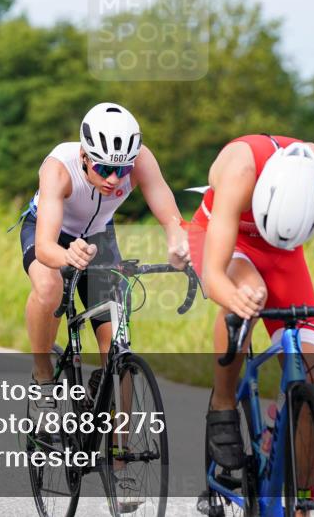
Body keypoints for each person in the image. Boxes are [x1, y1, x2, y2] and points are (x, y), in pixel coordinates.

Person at [188, 134, 314, 476]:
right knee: (252, 292)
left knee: (310, 374)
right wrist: (236, 299)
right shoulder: (240, 169)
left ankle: (304, 501)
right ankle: (222, 402)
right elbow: (214, 277)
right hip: (224, 238)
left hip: (284, 252)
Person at [20, 102, 190, 407]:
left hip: (98, 236)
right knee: (49, 287)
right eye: (104, 169)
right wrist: (67, 256)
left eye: (122, 170)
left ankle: (118, 450)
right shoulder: (58, 168)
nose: (114, 179)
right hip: (50, 232)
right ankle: (43, 376)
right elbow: (45, 247)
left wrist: (179, 243)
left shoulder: (141, 160)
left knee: (117, 346)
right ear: (85, 156)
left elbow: (172, 219)